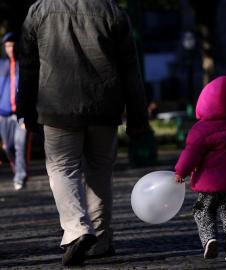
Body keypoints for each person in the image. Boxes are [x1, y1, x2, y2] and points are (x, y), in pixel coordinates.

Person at [17, 0, 150, 266]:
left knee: (62, 168)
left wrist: (26, 109)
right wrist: (138, 116)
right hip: (105, 107)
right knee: (99, 170)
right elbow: (130, 69)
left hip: (57, 106)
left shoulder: (39, 10)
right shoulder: (113, 11)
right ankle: (99, 240)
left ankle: (77, 229)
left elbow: (29, 64)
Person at [175, 76, 226, 262]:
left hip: (209, 184)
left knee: (202, 211)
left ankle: (209, 238)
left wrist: (181, 172)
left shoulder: (200, 130)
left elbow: (190, 155)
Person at [0, 32, 30, 191]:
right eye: (7, 45)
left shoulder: (23, 64)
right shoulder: (0, 65)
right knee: (7, 147)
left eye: (13, 45)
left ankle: (20, 176)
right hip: (3, 114)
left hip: (21, 115)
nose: (10, 48)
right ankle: (17, 171)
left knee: (20, 143)